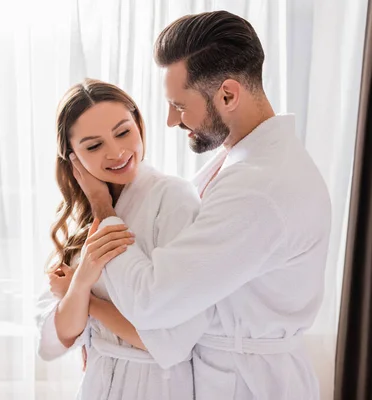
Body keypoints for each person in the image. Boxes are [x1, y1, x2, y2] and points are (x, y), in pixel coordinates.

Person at [68, 11, 332, 400]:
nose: (172, 120)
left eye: (179, 104)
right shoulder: (242, 160)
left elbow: (152, 301)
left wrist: (103, 209)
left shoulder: (259, 188)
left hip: (246, 384)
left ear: (227, 94)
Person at [36, 79, 212, 399]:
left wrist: (84, 299)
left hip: (157, 386)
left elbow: (171, 342)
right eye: (93, 146)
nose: (116, 152)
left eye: (122, 132)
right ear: (72, 157)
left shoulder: (173, 198)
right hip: (98, 384)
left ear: (138, 123)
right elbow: (57, 339)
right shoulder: (84, 217)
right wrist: (80, 282)